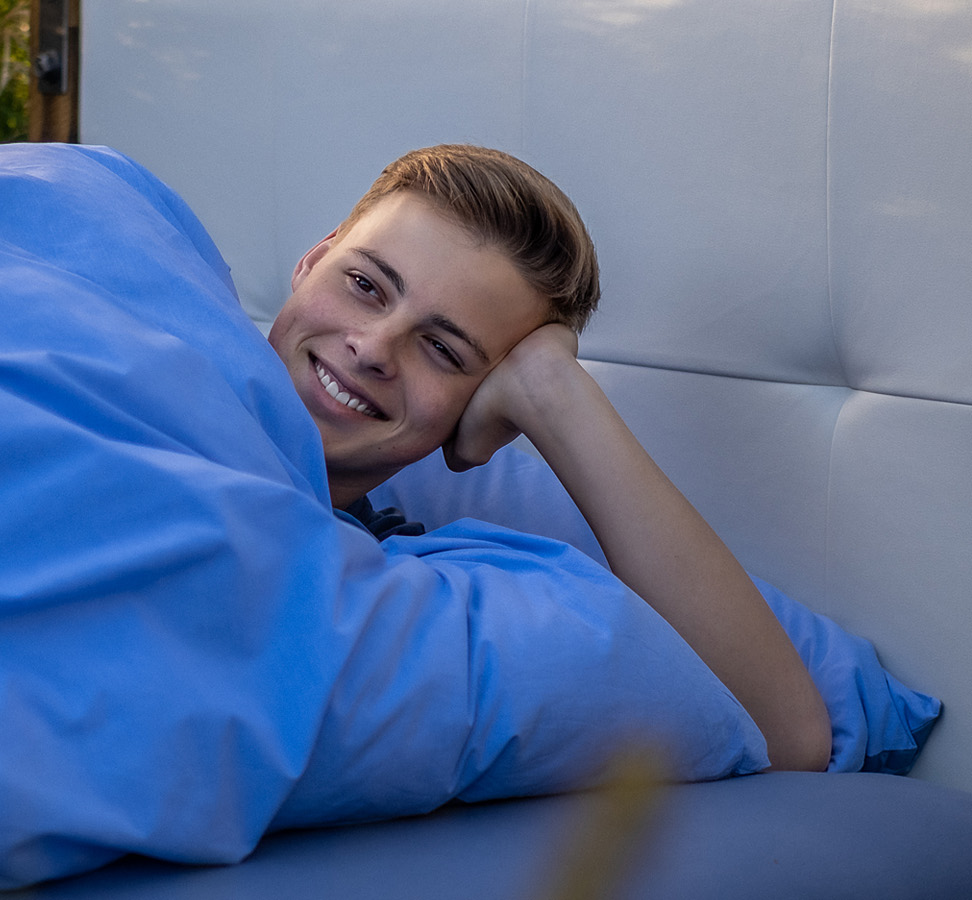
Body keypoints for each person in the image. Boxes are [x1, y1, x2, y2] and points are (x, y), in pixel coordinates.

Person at [267, 144, 832, 772]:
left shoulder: (386, 580)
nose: (373, 348)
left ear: (482, 404)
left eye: (443, 350)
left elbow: (786, 735)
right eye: (366, 286)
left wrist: (552, 391)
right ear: (315, 258)